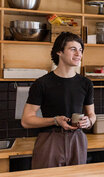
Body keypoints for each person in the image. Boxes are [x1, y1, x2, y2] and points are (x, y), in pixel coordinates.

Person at [21, 32, 96, 169]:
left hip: (77, 139)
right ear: (59, 52)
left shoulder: (86, 83)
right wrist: (55, 120)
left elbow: (92, 114)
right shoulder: (42, 83)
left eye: (80, 50)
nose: (78, 54)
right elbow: (26, 120)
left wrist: (89, 121)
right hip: (50, 139)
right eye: (73, 49)